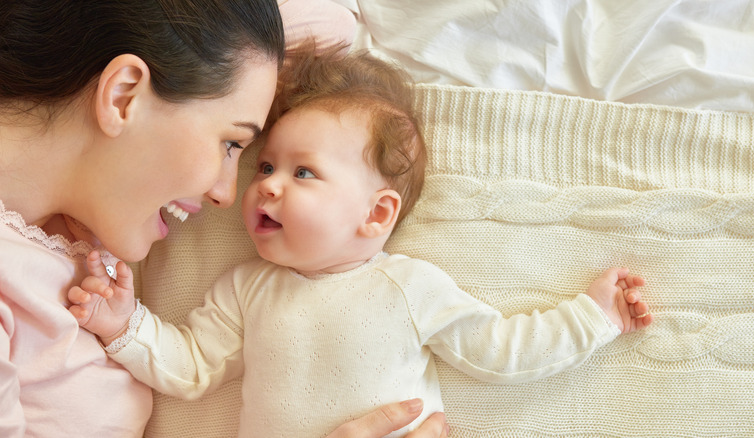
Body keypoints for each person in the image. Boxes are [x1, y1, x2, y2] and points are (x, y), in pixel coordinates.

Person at [68, 46, 654, 437]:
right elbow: (190, 365)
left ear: (375, 214)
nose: (266, 185)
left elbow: (501, 349)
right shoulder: (245, 289)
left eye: (302, 173)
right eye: (265, 166)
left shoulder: (408, 287)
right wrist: (124, 325)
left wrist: (594, 315)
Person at [0, 0, 447, 436]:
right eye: (232, 144)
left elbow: (332, 27)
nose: (227, 194)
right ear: (122, 97)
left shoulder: (74, 215)